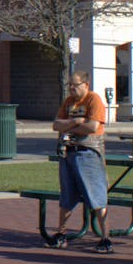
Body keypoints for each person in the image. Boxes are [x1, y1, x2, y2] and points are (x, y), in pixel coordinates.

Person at [49, 70, 113, 253]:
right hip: (68, 153)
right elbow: (56, 125)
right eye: (69, 85)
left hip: (89, 153)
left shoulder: (94, 100)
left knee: (96, 196)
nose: (71, 88)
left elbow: (93, 126)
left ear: (86, 85)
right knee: (67, 196)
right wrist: (77, 121)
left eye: (75, 85)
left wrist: (69, 125)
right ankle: (61, 235)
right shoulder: (69, 102)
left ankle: (105, 238)